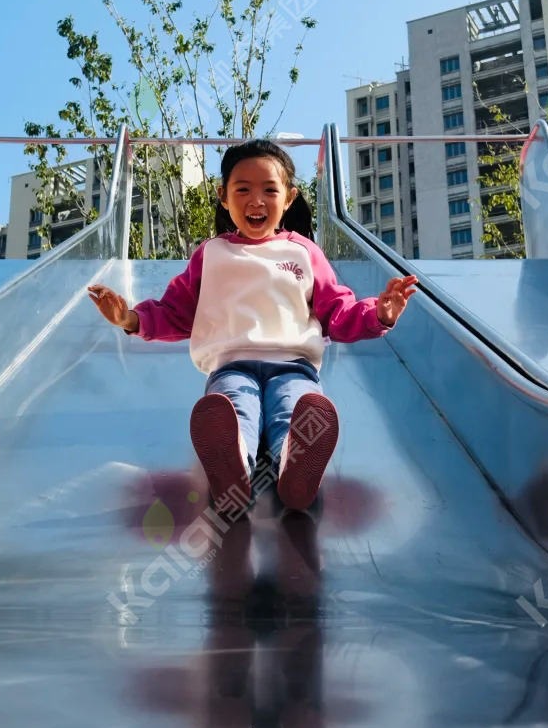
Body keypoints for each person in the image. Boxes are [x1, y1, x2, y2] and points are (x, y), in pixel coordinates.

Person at [88, 138, 417, 512]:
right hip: (232, 363)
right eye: (242, 189)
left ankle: (293, 465)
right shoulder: (210, 254)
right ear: (224, 197)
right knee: (232, 408)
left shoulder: (303, 252)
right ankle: (234, 467)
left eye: (269, 190)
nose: (255, 200)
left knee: (296, 411)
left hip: (294, 365)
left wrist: (379, 314)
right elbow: (176, 312)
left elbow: (337, 312)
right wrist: (131, 318)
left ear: (289, 198)